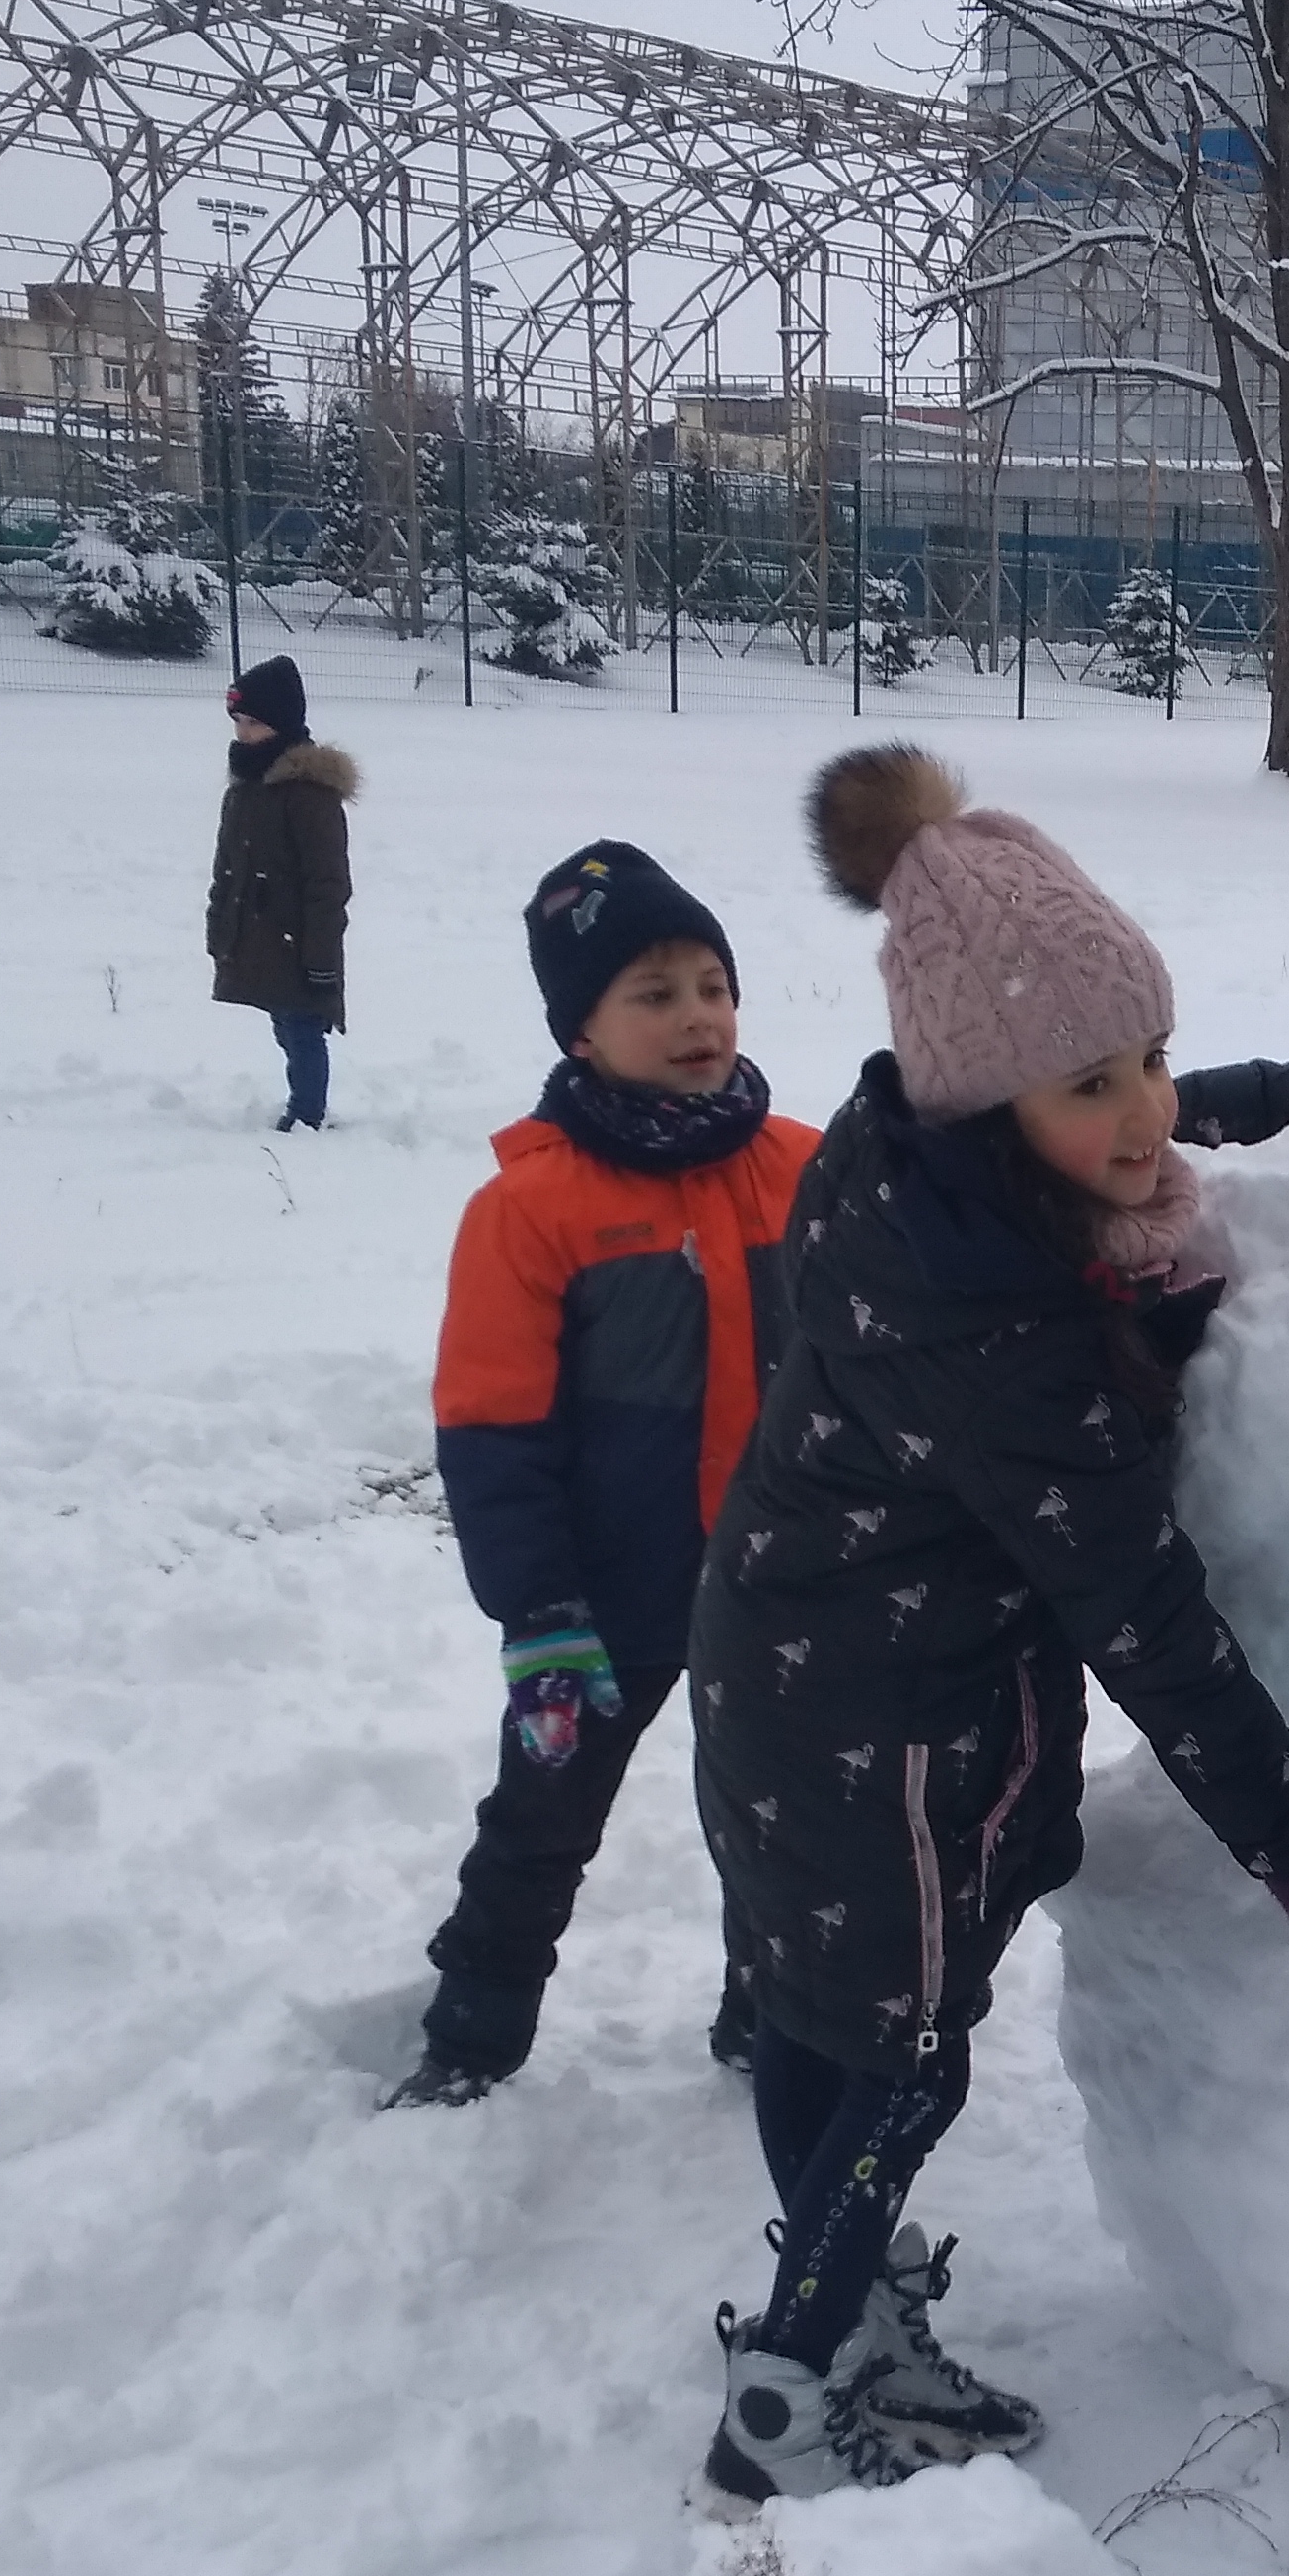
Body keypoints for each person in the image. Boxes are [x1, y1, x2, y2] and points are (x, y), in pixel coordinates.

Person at [690, 745, 1289, 2510]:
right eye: (1098, 1083)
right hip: (890, 1735)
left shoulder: (919, 1161)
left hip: (795, 1669)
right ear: (989, 1093)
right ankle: (790, 2388)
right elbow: (1138, 1607)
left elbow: (1138, 1116)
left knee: (821, 2015)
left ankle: (836, 2311)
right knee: (906, 2056)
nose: (1147, 1112)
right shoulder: (988, 1320)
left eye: (1153, 1056)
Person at [388, 844, 822, 2111]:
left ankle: (770, 2016)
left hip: (783, 1575)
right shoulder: (533, 1211)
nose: (696, 1015)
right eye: (653, 992)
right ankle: (472, 2032)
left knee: (786, 1817)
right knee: (544, 1815)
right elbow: (488, 1428)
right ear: (581, 1028)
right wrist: (538, 1612)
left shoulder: (801, 1164)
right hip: (606, 1595)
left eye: (713, 983)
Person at [206, 656, 354, 1132]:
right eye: (238, 722)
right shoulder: (245, 790)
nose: (241, 733)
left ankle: (308, 1113)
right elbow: (227, 869)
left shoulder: (308, 795)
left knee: (303, 1023)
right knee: (284, 1021)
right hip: (261, 936)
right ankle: (303, 1104)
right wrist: (219, 926)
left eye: (253, 723)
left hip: (299, 937)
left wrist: (320, 954)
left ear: (281, 725)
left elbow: (327, 882)